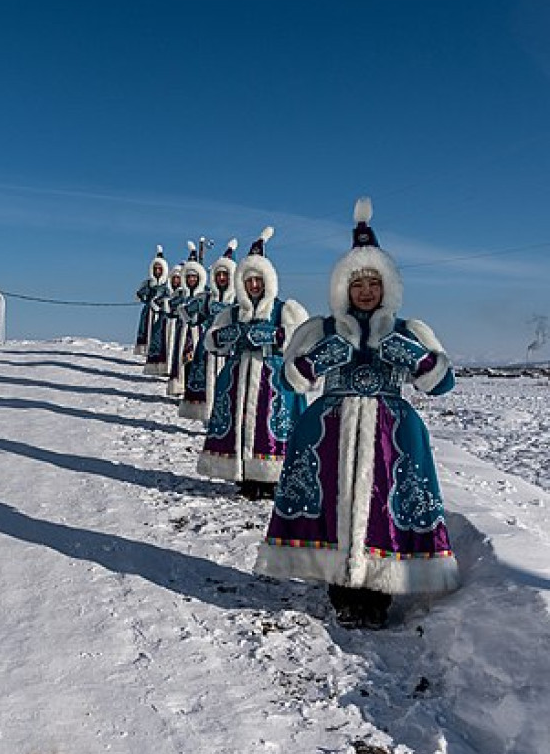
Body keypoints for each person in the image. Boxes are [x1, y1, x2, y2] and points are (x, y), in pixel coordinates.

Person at [254, 198, 458, 629]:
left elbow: (442, 383)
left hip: (392, 434)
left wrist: (412, 355)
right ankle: (343, 594)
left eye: (373, 283)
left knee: (384, 506)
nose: (365, 291)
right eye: (356, 284)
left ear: (387, 287)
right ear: (342, 289)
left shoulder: (408, 330)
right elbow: (290, 381)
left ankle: (378, 596)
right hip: (329, 430)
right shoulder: (320, 330)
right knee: (335, 504)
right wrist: (324, 357)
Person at [196, 227, 308, 499]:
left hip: (274, 376)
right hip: (238, 373)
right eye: (249, 281)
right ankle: (244, 474)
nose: (254, 285)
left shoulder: (284, 309)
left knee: (272, 425)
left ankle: (272, 477)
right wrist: (230, 335)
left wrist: (276, 336)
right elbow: (212, 341)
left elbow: (302, 338)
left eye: (258, 280)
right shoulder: (233, 312)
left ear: (268, 281)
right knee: (239, 422)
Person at [178, 239, 238, 419]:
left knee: (229, 382)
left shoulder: (237, 299)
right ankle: (208, 415)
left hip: (231, 346)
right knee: (207, 380)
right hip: (208, 346)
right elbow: (189, 316)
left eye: (225, 274)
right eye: (218, 274)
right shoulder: (207, 298)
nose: (221, 278)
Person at [168, 242, 206, 398]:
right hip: (182, 330)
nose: (191, 279)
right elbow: (170, 306)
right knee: (181, 359)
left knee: (196, 360)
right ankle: (179, 386)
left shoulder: (204, 294)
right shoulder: (180, 294)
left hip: (198, 331)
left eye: (194, 277)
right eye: (189, 277)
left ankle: (194, 389)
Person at [138, 247, 170, 376]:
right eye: (155, 269)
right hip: (149, 312)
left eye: (159, 269)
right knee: (148, 331)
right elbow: (141, 295)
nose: (157, 271)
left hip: (162, 313)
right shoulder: (148, 283)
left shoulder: (167, 284)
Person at [161, 262, 185, 377]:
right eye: (174, 278)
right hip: (169, 321)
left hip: (179, 322)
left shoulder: (182, 293)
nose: (176, 280)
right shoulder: (168, 291)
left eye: (178, 278)